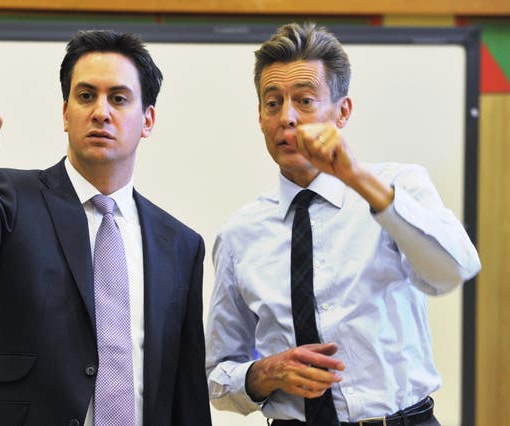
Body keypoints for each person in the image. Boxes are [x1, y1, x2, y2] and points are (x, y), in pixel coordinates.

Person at [0, 30, 211, 426]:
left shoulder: (179, 244)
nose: (101, 112)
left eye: (119, 98)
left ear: (148, 120)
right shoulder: (12, 197)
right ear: (65, 113)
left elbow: (185, 386)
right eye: (86, 96)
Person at [205, 22, 481, 426]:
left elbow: (453, 271)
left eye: (304, 100)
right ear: (260, 117)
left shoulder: (398, 186)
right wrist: (265, 373)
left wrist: (359, 181)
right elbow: (218, 376)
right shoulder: (238, 235)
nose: (288, 118)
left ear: (343, 111)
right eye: (273, 103)